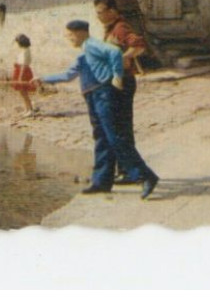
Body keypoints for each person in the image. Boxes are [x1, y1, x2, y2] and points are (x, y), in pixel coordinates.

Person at [41, 20, 159, 199]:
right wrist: (42, 79)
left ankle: (145, 176)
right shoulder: (83, 56)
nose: (69, 39)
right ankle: (102, 182)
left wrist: (117, 76)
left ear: (81, 33)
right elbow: (67, 75)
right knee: (102, 138)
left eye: (70, 35)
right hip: (93, 98)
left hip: (104, 95)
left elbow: (115, 52)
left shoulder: (93, 45)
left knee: (115, 137)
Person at [95, 0, 148, 181]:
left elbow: (139, 45)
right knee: (119, 127)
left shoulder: (120, 28)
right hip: (116, 82)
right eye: (97, 13)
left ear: (112, 11)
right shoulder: (111, 29)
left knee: (120, 128)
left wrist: (124, 58)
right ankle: (125, 170)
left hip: (123, 83)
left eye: (101, 12)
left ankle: (130, 171)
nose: (98, 16)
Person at [11, 33, 39, 115]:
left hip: (22, 72)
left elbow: (23, 65)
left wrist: (20, 77)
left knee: (23, 92)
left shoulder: (25, 52)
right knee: (23, 92)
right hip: (21, 70)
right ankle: (27, 109)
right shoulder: (25, 50)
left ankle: (30, 110)